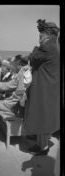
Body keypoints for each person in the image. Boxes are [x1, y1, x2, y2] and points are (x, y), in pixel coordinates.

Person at [22, 19, 60, 155]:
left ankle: (42, 147)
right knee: (44, 115)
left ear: (47, 34)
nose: (39, 38)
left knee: (42, 115)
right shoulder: (55, 45)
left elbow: (33, 58)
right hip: (49, 86)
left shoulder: (47, 46)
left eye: (40, 35)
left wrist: (34, 48)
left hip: (44, 87)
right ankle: (40, 142)